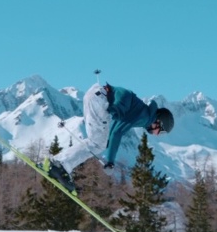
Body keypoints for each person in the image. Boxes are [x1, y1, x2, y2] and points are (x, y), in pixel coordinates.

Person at [41, 76, 174, 194]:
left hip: (94, 95)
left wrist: (109, 149)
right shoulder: (145, 117)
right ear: (159, 122)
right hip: (100, 102)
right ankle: (60, 165)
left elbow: (115, 127)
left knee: (96, 142)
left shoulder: (142, 110)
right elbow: (117, 132)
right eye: (161, 131)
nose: (158, 135)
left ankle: (56, 163)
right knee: (97, 144)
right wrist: (110, 162)